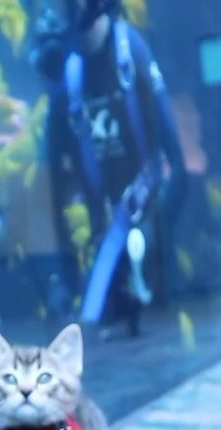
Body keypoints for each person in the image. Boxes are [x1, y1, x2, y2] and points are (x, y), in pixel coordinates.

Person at [32, 0, 187, 337]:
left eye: (60, 7)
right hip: (105, 266)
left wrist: (153, 235)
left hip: (153, 265)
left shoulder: (132, 54)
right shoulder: (66, 83)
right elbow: (49, 194)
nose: (51, 16)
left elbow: (178, 166)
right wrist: (59, 276)